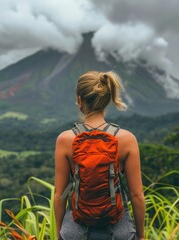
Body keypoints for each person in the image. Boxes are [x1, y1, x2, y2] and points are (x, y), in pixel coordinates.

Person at [54, 71, 145, 240]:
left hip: (75, 231)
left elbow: (60, 195)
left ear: (80, 100)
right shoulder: (127, 139)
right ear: (107, 101)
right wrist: (141, 236)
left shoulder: (65, 140)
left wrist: (61, 233)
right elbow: (137, 195)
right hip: (119, 232)